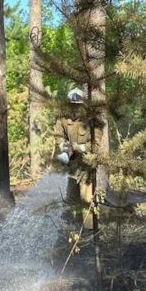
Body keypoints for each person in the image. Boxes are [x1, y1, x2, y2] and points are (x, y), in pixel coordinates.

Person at [54, 87, 95, 228]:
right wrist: (65, 148)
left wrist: (77, 147)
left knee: (87, 198)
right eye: (72, 105)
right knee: (71, 197)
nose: (74, 109)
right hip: (72, 166)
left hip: (87, 165)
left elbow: (94, 144)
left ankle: (89, 230)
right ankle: (73, 229)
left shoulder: (91, 120)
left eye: (77, 106)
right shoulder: (64, 119)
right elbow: (59, 136)